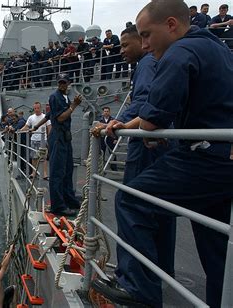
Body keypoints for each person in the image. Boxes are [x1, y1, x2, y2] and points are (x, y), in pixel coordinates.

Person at [92, 1, 233, 307]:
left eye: (146, 35)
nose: (144, 45)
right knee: (217, 249)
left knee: (131, 199)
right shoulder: (218, 48)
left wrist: (128, 125)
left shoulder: (179, 53)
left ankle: (140, 291)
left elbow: (154, 119)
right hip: (225, 160)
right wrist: (131, 122)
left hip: (202, 157)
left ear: (171, 25)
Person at [93, 23, 177, 280]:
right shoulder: (155, 63)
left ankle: (134, 280)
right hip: (164, 145)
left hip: (147, 145)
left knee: (131, 204)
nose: (121, 51)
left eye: (125, 45)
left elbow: (143, 102)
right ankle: (161, 271)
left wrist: (112, 124)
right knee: (161, 209)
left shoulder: (146, 65)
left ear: (141, 42)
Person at [47, 73, 82, 216]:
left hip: (65, 137)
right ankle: (58, 206)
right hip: (58, 137)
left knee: (67, 170)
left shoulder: (64, 97)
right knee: (57, 172)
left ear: (68, 83)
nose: (62, 84)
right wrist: (74, 105)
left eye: (64, 82)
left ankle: (69, 199)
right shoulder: (55, 97)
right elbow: (60, 118)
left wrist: (36, 126)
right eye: (60, 82)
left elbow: (49, 116)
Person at [20, 102, 50, 180]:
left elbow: (49, 127)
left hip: (43, 139)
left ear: (41, 108)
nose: (36, 110)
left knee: (44, 157)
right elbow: (26, 126)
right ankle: (34, 172)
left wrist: (49, 137)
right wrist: (20, 130)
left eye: (38, 108)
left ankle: (45, 174)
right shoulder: (31, 117)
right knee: (34, 157)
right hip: (34, 139)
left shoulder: (45, 117)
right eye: (35, 108)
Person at [98, 107, 118, 171]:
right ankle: (101, 167)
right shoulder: (100, 120)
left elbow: (115, 130)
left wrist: (116, 138)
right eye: (105, 111)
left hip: (111, 139)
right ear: (103, 112)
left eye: (107, 111)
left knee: (112, 153)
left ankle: (114, 168)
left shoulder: (112, 120)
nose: (106, 112)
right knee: (101, 153)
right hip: (102, 139)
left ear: (109, 112)